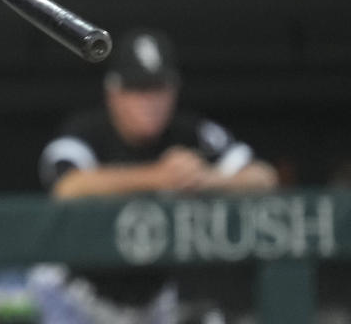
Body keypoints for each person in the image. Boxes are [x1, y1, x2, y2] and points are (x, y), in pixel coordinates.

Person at [38, 30, 277, 322]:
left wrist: (207, 178)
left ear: (173, 90)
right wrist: (157, 176)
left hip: (152, 302)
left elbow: (264, 177)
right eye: (138, 89)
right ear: (114, 93)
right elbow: (67, 187)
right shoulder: (86, 131)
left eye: (158, 88)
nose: (150, 101)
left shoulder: (191, 133)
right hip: (76, 296)